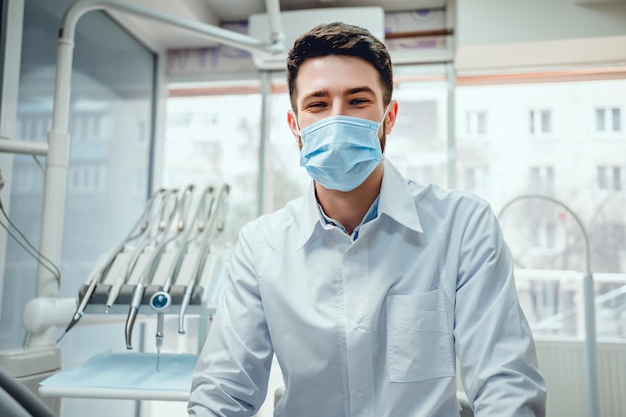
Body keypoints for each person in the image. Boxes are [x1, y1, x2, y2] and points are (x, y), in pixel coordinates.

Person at [188, 22, 547, 417]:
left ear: (388, 118)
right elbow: (222, 392)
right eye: (318, 104)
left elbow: (506, 383)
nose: (337, 120)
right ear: (295, 126)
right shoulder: (261, 246)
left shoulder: (463, 226)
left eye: (358, 101)